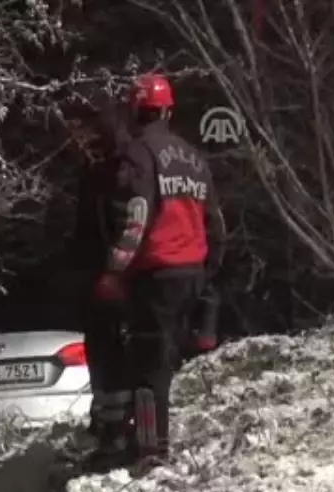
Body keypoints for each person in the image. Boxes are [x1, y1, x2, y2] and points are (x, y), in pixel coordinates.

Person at [92, 73, 226, 468]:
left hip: (155, 275)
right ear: (168, 110)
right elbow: (216, 224)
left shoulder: (138, 155)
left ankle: (150, 451)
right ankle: (151, 441)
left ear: (135, 110)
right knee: (164, 360)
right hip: (192, 273)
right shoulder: (194, 158)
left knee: (148, 366)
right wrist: (207, 273)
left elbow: (136, 217)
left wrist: (114, 271)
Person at [65, 103, 134, 456]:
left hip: (108, 276)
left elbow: (88, 233)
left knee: (107, 351)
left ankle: (112, 426)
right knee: (117, 351)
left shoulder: (101, 177)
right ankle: (118, 423)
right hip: (129, 276)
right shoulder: (133, 170)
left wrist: (102, 272)